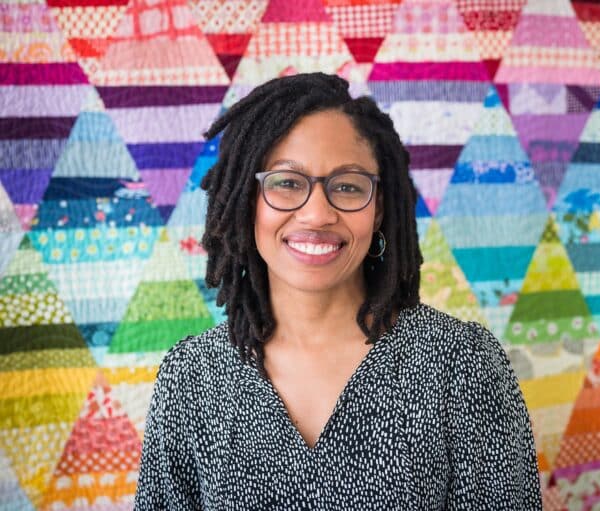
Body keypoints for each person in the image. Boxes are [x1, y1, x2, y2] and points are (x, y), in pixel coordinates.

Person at [134, 72, 542, 510]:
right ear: (245, 201)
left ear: (379, 206)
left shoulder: (461, 364)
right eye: (287, 183)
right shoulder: (191, 378)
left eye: (347, 186)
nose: (317, 214)